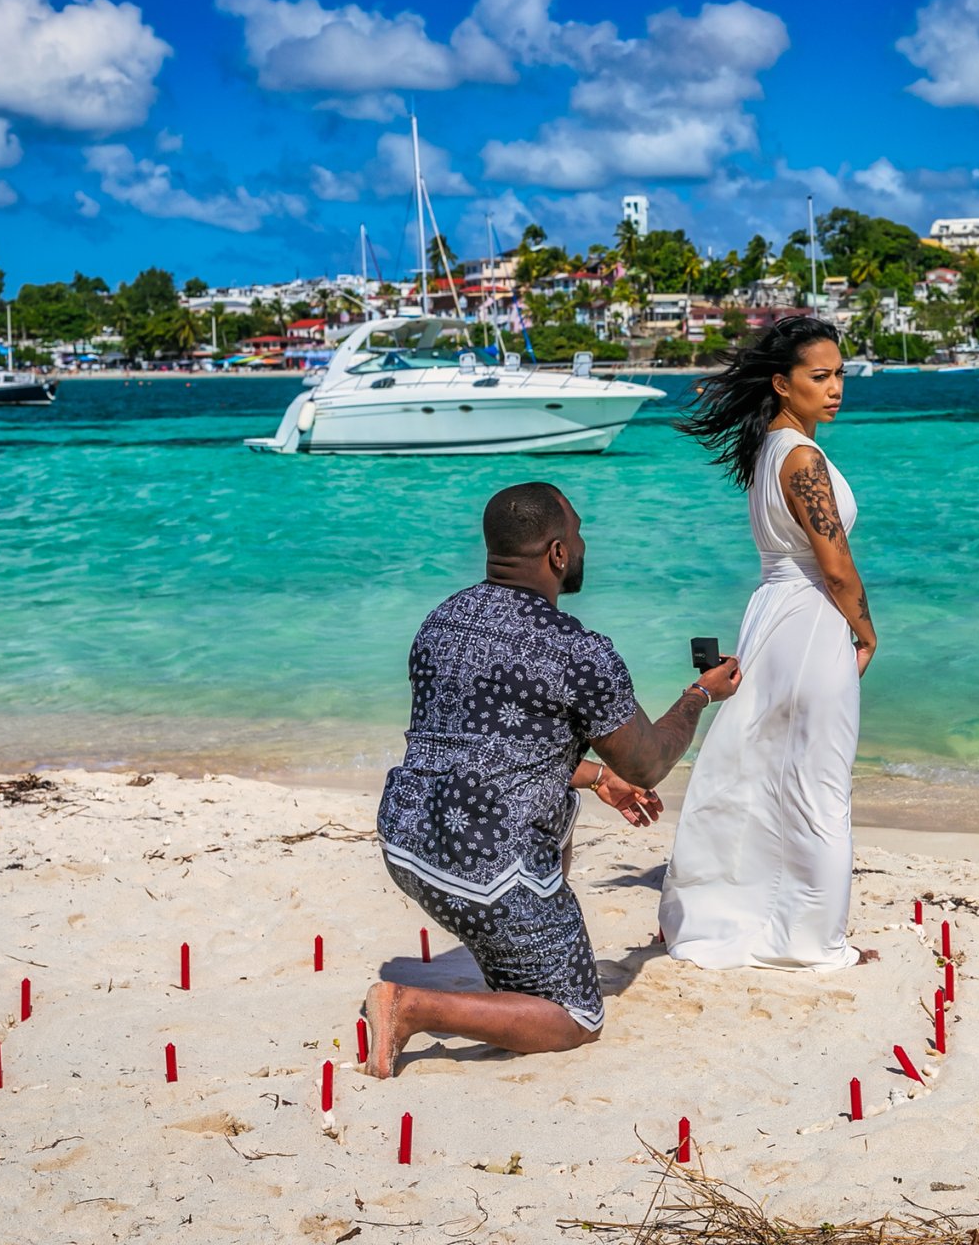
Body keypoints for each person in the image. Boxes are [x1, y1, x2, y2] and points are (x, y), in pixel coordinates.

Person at [363, 482, 741, 1076]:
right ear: (558, 553)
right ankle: (410, 1007)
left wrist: (595, 777)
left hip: (407, 841)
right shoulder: (576, 650)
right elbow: (647, 764)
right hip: (485, 868)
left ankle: (517, 956)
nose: (584, 545)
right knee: (575, 1017)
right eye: (579, 534)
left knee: (557, 811)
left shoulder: (442, 620)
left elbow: (486, 747)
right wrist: (699, 695)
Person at [659, 317, 879, 970]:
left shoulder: (769, 449)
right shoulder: (801, 458)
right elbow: (835, 566)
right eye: (821, 376)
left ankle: (750, 916)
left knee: (761, 770)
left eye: (840, 375)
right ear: (782, 384)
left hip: (773, 614)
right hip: (810, 618)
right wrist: (867, 633)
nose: (835, 388)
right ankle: (814, 940)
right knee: (818, 781)